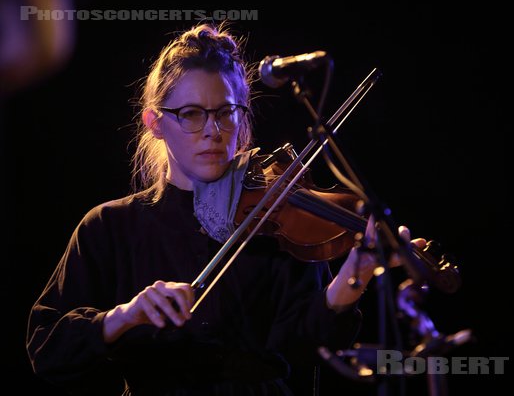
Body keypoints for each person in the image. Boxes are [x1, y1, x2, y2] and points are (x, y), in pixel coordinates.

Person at [26, 23, 424, 396]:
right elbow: (47, 349)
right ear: (155, 123)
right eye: (192, 114)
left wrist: (349, 284)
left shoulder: (276, 220)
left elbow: (305, 352)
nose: (213, 132)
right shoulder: (109, 227)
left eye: (226, 112)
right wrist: (122, 317)